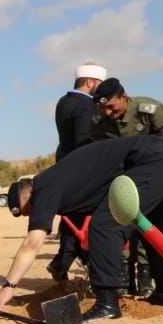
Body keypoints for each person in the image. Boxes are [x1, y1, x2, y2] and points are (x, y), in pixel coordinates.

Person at [0, 135, 163, 323]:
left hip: (154, 161)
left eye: (29, 210)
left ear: (28, 192)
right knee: (151, 230)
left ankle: (107, 304)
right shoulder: (63, 180)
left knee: (104, 226)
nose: (34, 215)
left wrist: (8, 287)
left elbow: (32, 242)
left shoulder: (43, 187)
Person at [90, 77, 163, 296]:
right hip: (123, 182)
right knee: (122, 230)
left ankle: (154, 282)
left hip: (157, 179)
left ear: (124, 97)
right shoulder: (99, 122)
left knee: (154, 232)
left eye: (111, 107)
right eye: (102, 108)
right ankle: (125, 282)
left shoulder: (149, 110)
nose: (107, 112)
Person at [47, 62, 108, 281]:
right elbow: (84, 141)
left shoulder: (64, 102)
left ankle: (62, 264)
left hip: (67, 166)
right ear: (90, 82)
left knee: (74, 219)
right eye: (99, 84)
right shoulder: (85, 105)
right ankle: (69, 264)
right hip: (84, 171)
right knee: (86, 220)